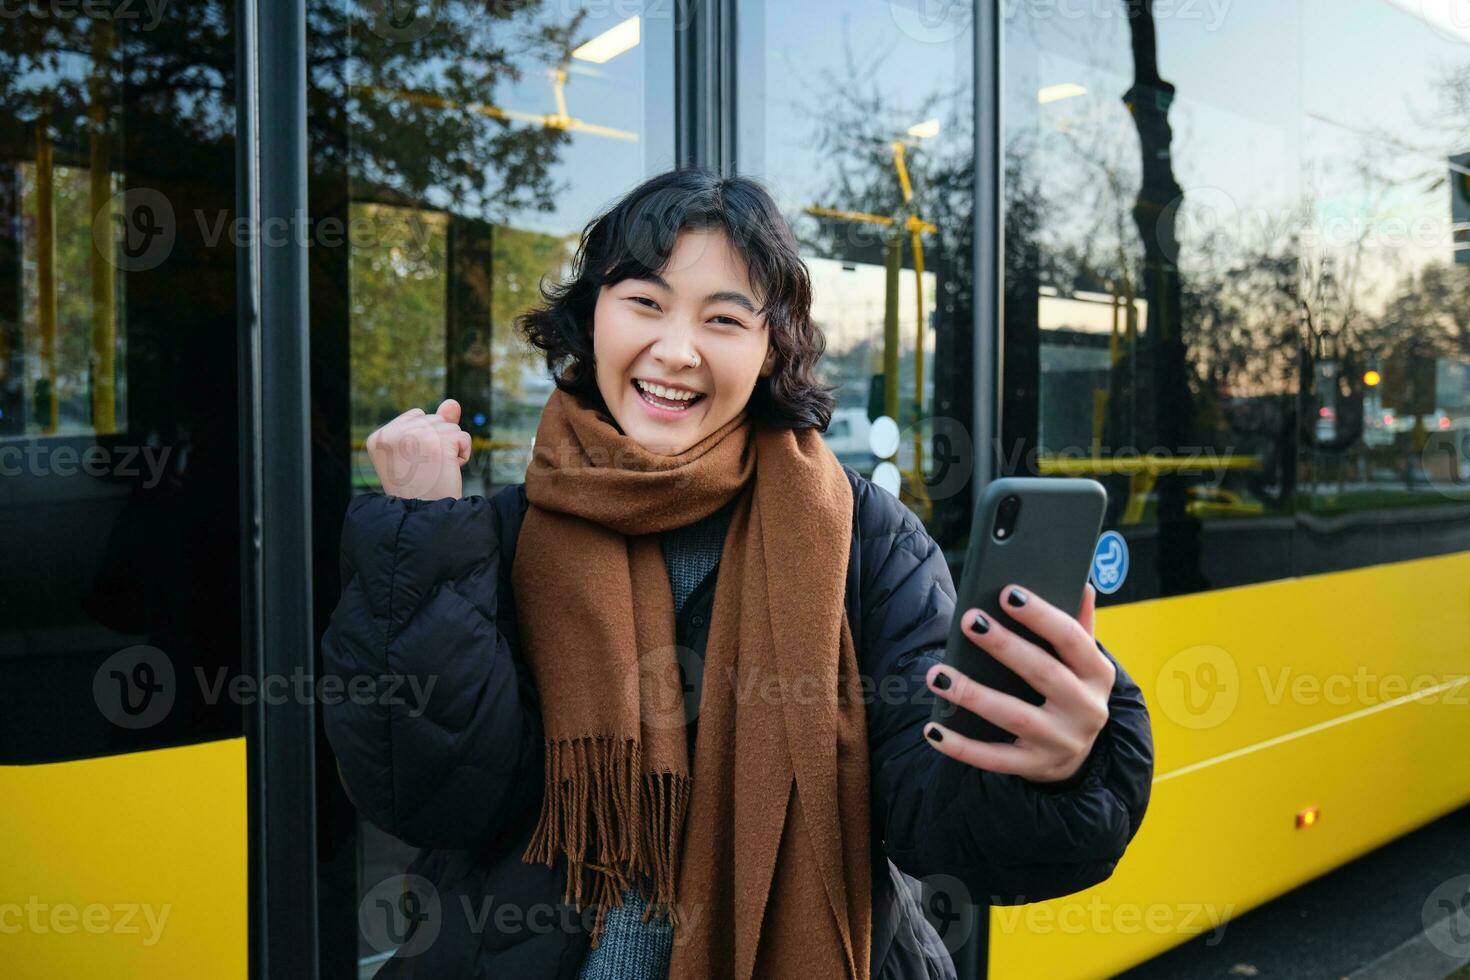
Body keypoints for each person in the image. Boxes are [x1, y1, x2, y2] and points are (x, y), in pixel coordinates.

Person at [321, 167, 1153, 980]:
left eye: (724, 319)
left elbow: (940, 823)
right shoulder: (495, 533)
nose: (676, 350)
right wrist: (416, 535)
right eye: (643, 302)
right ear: (592, 319)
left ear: (768, 348)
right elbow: (432, 799)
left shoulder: (866, 538)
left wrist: (1056, 764)